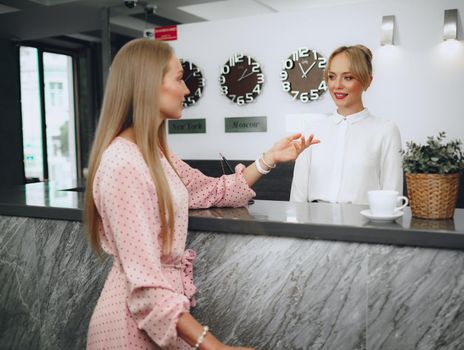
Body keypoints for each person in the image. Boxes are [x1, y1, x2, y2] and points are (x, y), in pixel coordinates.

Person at [84, 38, 318, 350]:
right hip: (127, 333)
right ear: (148, 84)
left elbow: (212, 190)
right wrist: (215, 347)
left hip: (164, 324)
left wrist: (268, 159)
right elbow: (145, 287)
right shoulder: (123, 164)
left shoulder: (156, 154)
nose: (186, 90)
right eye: (179, 78)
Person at [290, 45, 402, 204]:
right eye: (332, 76)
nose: (337, 85)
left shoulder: (386, 130)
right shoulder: (312, 130)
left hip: (364, 225)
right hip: (314, 223)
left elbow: (393, 195)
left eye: (348, 77)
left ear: (368, 81)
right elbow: (297, 196)